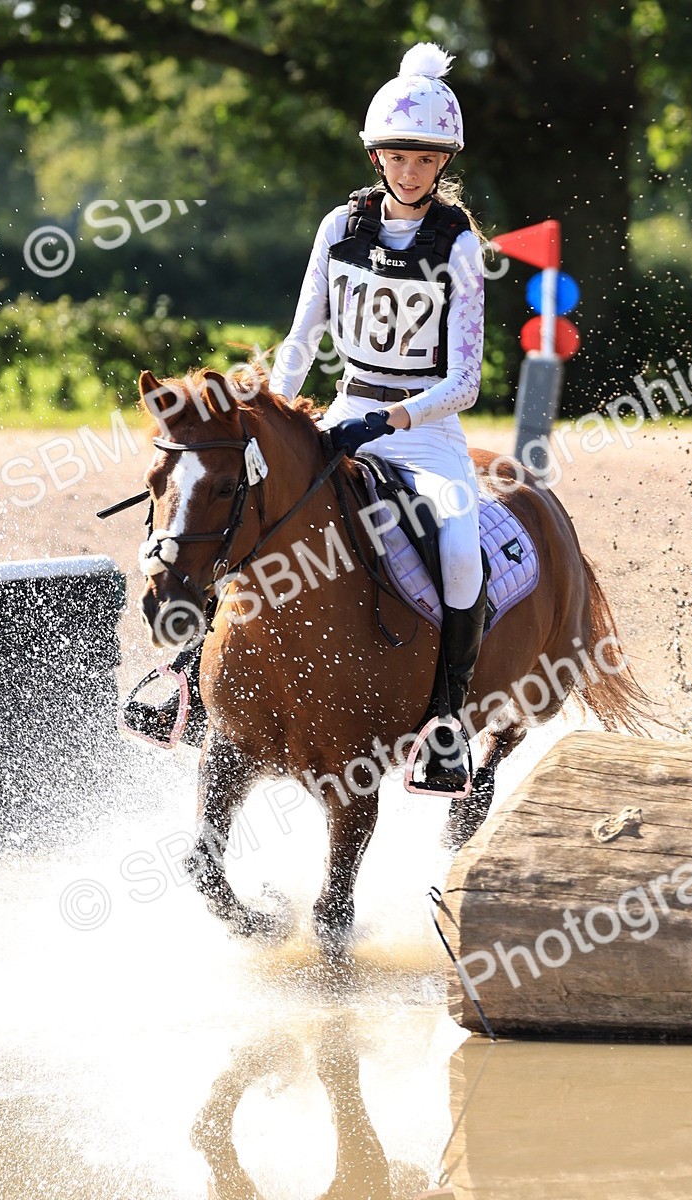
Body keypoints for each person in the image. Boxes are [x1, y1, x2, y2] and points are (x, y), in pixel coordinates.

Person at [269, 41, 487, 792]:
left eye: (426, 159)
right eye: (398, 156)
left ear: (443, 161)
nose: (410, 170)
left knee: (460, 549)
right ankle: (187, 677)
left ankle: (447, 723)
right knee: (254, 505)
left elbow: (466, 380)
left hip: (425, 433)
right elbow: (302, 339)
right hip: (346, 404)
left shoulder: (460, 245)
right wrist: (274, 407)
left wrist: (390, 420)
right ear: (377, 157)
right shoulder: (339, 229)